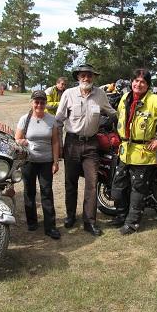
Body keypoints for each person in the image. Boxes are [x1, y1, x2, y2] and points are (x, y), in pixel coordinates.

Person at [110, 68, 157, 235]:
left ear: (148, 84)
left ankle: (132, 223)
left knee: (138, 190)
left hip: (144, 154)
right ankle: (121, 215)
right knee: (118, 186)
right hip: (125, 150)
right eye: (136, 80)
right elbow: (120, 118)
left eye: (142, 81)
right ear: (131, 82)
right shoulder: (125, 98)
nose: (138, 84)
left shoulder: (155, 101)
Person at [55, 63, 116, 236]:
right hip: (72, 143)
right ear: (78, 77)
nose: (86, 78)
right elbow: (59, 121)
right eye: (83, 75)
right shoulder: (68, 94)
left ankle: (90, 222)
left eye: (89, 75)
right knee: (70, 182)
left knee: (92, 183)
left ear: (93, 77)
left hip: (92, 145)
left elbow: (112, 113)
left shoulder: (101, 94)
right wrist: (59, 145)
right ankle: (70, 216)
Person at [15, 90, 61, 240]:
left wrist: (55, 161)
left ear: (45, 103)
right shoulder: (25, 119)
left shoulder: (51, 119)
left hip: (46, 162)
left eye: (42, 102)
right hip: (28, 162)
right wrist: (23, 142)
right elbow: (17, 139)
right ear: (32, 103)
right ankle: (32, 222)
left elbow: (55, 141)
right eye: (36, 102)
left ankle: (50, 226)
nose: (39, 105)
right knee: (29, 192)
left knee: (47, 192)